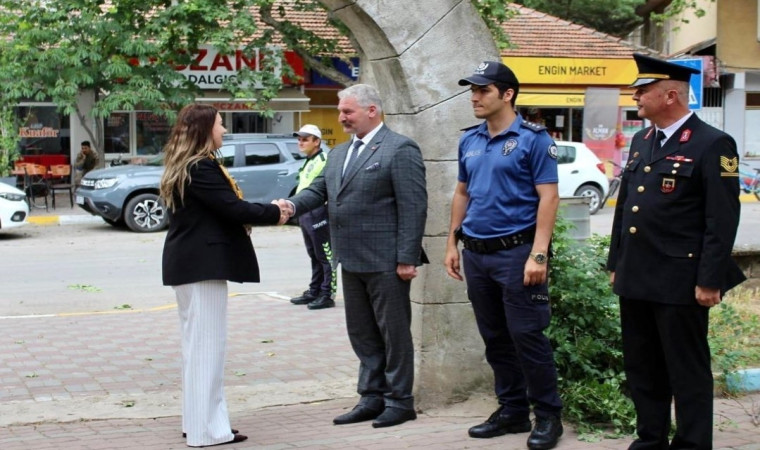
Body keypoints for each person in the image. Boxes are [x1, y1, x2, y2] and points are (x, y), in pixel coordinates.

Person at [607, 53, 746, 449]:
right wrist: (617, 263)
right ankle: (650, 438)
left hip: (680, 280)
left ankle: (692, 443)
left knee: (686, 369)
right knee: (643, 366)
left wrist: (709, 279)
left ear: (670, 95)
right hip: (637, 276)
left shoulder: (713, 143)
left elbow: (721, 220)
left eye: (643, 90)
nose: (635, 95)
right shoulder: (641, 139)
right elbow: (626, 208)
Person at [280, 83, 427, 428]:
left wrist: (407, 257)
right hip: (351, 258)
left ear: (371, 110)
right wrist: (289, 205)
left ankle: (400, 401)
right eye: (340, 111)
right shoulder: (339, 153)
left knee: (393, 333)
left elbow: (414, 207)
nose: (341, 117)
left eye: (347, 111)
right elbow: (319, 191)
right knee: (362, 334)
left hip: (387, 261)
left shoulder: (399, 148)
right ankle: (372, 397)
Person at [444, 61, 563, 450]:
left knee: (528, 336)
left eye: (482, 90)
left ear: (507, 94)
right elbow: (463, 193)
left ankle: (548, 417)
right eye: (472, 90)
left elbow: (549, 196)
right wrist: (452, 243)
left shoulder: (534, 139)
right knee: (494, 337)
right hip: (477, 253)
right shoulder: (470, 140)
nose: (474, 97)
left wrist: (539, 255)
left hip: (517, 254)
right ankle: (512, 410)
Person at [160, 103, 288, 447]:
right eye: (220, 124)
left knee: (197, 349)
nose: (225, 130)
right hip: (202, 266)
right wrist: (276, 212)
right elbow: (234, 210)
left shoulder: (187, 165)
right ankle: (206, 432)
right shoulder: (200, 167)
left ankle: (200, 423)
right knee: (206, 350)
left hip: (190, 265)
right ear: (205, 130)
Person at [288, 124, 337, 310]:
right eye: (299, 139)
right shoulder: (309, 160)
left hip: (319, 212)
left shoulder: (324, 159)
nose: (300, 142)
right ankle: (315, 290)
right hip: (306, 212)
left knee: (325, 254)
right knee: (314, 254)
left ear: (317, 142)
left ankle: (327, 294)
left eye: (305, 139)